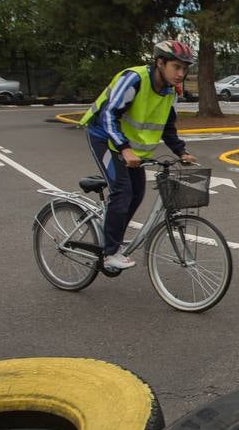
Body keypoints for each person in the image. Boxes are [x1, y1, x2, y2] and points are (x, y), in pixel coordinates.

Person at [79, 39, 198, 271]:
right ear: (160, 63)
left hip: (128, 148)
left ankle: (112, 240)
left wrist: (181, 151)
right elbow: (109, 115)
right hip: (104, 137)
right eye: (177, 67)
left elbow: (167, 126)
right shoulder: (134, 79)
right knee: (122, 191)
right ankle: (110, 252)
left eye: (185, 69)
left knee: (137, 193)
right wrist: (124, 148)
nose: (181, 74)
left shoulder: (170, 91)